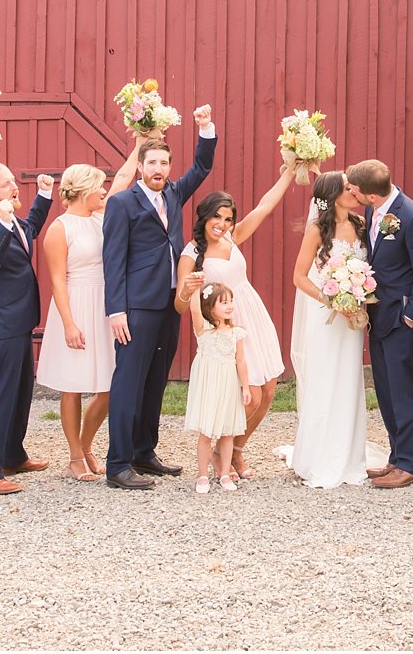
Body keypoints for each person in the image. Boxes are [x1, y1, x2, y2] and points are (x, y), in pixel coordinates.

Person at [103, 106, 217, 490]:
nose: (159, 169)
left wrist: (205, 129)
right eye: (152, 162)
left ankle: (143, 451)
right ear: (139, 166)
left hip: (170, 302)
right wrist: (115, 309)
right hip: (135, 306)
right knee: (128, 382)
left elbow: (201, 168)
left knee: (156, 381)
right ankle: (117, 464)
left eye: (165, 163)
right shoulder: (121, 203)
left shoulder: (173, 193)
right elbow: (113, 259)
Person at [174, 166, 297, 480]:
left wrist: (288, 172)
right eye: (217, 217)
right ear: (204, 217)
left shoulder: (233, 236)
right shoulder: (191, 254)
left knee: (268, 390)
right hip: (224, 328)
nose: (223, 224)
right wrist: (189, 296)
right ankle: (218, 449)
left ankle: (235, 451)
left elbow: (264, 207)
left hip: (252, 314)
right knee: (250, 394)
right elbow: (180, 305)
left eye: (228, 219)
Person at [36, 152, 139, 480]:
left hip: (104, 304)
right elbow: (56, 280)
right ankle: (75, 456)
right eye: (99, 187)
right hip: (75, 304)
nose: (105, 192)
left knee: (110, 383)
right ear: (83, 192)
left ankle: (86, 444)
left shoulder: (102, 217)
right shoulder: (59, 229)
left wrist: (139, 142)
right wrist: (68, 323)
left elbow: (123, 178)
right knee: (73, 385)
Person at [0, 159, 57, 496]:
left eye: (12, 180)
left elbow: (28, 229)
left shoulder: (10, 220)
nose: (14, 186)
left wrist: (44, 195)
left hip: (19, 320)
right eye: (6, 184)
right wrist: (3, 223)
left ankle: (13, 455)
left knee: (20, 395)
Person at [287, 171, 383, 488]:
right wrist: (332, 300)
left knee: (348, 379)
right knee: (324, 379)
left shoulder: (361, 225)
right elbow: (299, 277)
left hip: (352, 318)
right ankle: (318, 455)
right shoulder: (318, 229)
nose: (353, 191)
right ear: (332, 195)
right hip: (325, 317)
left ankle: (349, 452)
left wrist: (357, 295)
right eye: (346, 188)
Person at [345, 159, 413, 489]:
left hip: (401, 319)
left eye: (353, 189)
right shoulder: (374, 211)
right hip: (378, 317)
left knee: (404, 390)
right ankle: (397, 457)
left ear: (369, 195)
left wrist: (410, 314)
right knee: (385, 390)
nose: (350, 193)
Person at [180, 283, 250, 494]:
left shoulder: (235, 333)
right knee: (206, 432)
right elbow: (193, 309)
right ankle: (202, 475)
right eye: (223, 302)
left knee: (227, 432)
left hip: (228, 384)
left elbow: (241, 361)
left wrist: (245, 387)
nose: (229, 306)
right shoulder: (204, 330)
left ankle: (225, 474)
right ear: (210, 308)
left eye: (231, 301)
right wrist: (195, 289)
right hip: (209, 385)